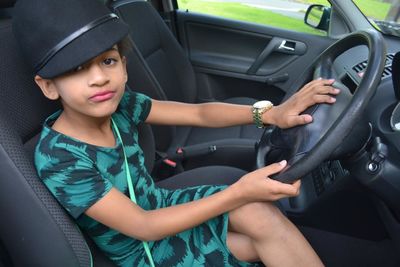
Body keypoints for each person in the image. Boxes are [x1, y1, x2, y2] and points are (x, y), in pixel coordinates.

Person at [13, 0, 339, 266]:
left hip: (161, 203)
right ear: (48, 86)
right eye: (76, 69)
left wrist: (269, 113)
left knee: (260, 217)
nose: (99, 78)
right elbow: (143, 226)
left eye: (108, 61)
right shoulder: (60, 158)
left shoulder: (122, 104)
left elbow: (198, 112)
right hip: (144, 250)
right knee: (255, 224)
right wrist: (239, 192)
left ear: (125, 65)